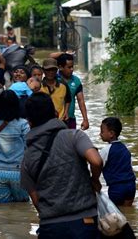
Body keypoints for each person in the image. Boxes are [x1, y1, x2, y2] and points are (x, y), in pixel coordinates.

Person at [21, 93, 102, 238]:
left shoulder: (26, 157)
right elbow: (96, 161)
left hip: (50, 227)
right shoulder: (75, 136)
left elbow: (36, 201)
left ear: (29, 122)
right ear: (56, 113)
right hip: (85, 222)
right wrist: (94, 181)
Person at [99, 117, 136, 206]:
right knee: (127, 211)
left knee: (116, 214)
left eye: (102, 131)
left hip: (116, 188)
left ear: (111, 133)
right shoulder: (124, 148)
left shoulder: (106, 150)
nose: (100, 134)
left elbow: (97, 164)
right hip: (131, 185)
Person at [52, 52, 90, 130]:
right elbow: (50, 57)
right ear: (60, 67)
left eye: (72, 67)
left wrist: (85, 119)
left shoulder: (76, 81)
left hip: (70, 119)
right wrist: (64, 53)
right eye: (69, 67)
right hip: (54, 119)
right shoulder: (53, 79)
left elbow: (81, 101)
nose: (72, 69)